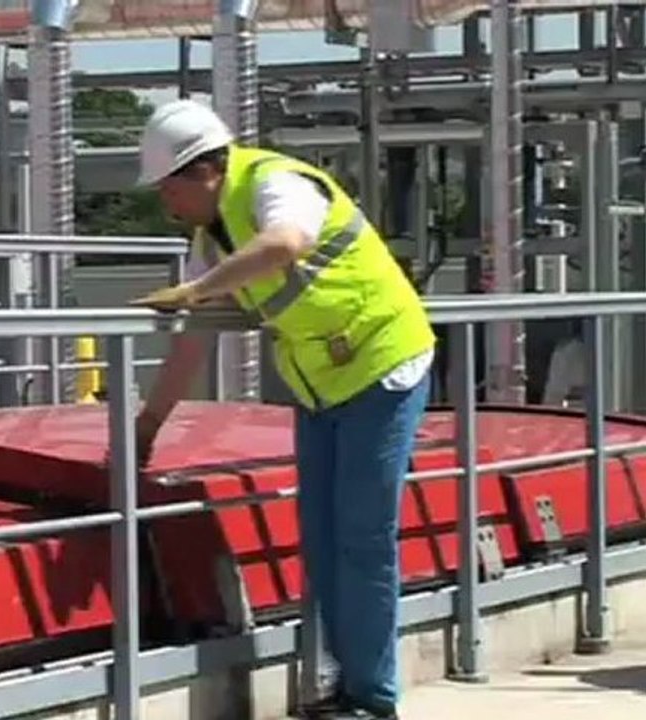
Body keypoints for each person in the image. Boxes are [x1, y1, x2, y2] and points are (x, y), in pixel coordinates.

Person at [127, 99, 436, 720]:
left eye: (168, 189)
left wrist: (196, 289)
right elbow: (192, 339)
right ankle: (341, 687)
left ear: (201, 172)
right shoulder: (210, 238)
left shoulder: (276, 183)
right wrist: (146, 426)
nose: (167, 204)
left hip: (383, 363)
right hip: (321, 384)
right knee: (322, 539)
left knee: (362, 538)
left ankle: (372, 700)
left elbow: (286, 243)